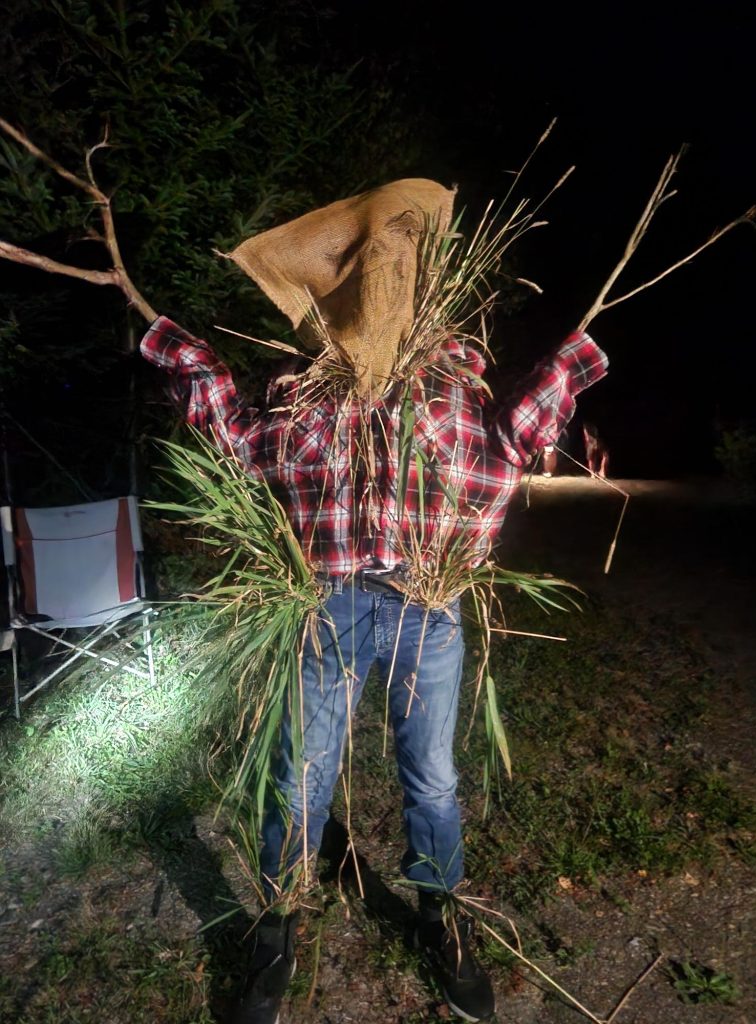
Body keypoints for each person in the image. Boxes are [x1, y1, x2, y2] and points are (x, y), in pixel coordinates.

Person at [139, 179, 609, 1024]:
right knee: (299, 776)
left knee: (431, 778)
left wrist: (571, 363)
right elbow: (234, 445)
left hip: (426, 610)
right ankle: (279, 925)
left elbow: (501, 458)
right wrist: (174, 346)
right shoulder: (300, 390)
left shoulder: (448, 385)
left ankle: (441, 913)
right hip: (322, 605)